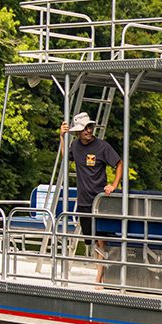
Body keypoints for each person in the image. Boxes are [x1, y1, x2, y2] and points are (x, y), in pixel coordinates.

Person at [58, 111, 123, 285]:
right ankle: (101, 271)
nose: (88, 130)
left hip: (100, 201)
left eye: (90, 127)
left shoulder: (102, 146)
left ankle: (99, 278)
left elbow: (119, 163)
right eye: (84, 128)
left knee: (101, 239)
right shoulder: (76, 146)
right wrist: (62, 137)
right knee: (92, 240)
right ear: (78, 131)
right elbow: (66, 158)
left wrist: (114, 185)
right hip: (84, 200)